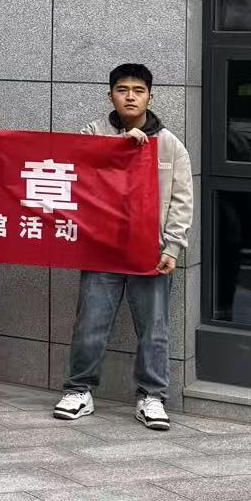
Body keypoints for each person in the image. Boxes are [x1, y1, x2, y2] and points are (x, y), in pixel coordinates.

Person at [54, 64, 193, 431]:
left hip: (151, 251)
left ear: (150, 96)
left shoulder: (170, 144)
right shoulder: (93, 133)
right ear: (111, 95)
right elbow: (76, 167)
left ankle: (152, 397)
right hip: (102, 248)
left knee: (154, 328)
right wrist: (118, 146)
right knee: (90, 324)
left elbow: (182, 200)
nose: (130, 96)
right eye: (122, 89)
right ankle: (79, 390)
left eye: (138, 90)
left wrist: (173, 247)